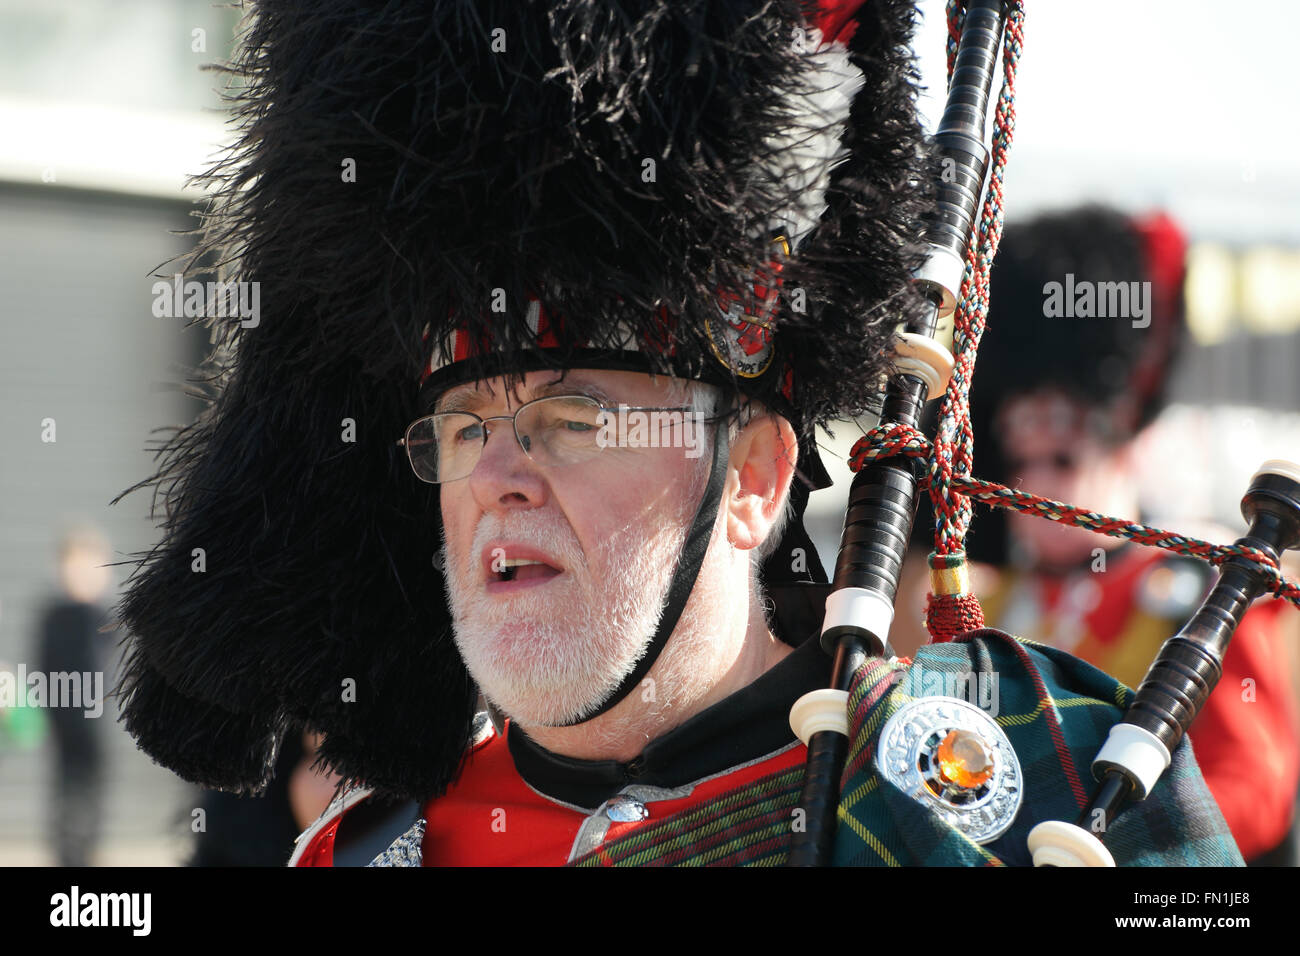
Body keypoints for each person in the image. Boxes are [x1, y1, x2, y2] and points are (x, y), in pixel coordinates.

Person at [113, 1, 1242, 867]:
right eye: (460, 432)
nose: (497, 476)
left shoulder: (1041, 772)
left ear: (751, 476)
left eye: (569, 419)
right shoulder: (358, 850)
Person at [968, 206, 1300, 864]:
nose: (1032, 487)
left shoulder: (1202, 587)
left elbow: (1257, 787)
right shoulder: (994, 605)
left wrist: (1119, 842)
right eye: (1019, 465)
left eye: (1059, 462)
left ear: (1121, 444)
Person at [35, 526, 115, 867]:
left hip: (95, 719)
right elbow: (46, 663)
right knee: (69, 788)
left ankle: (85, 849)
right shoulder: (58, 615)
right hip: (66, 716)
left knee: (92, 788)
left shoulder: (101, 616)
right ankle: (69, 852)